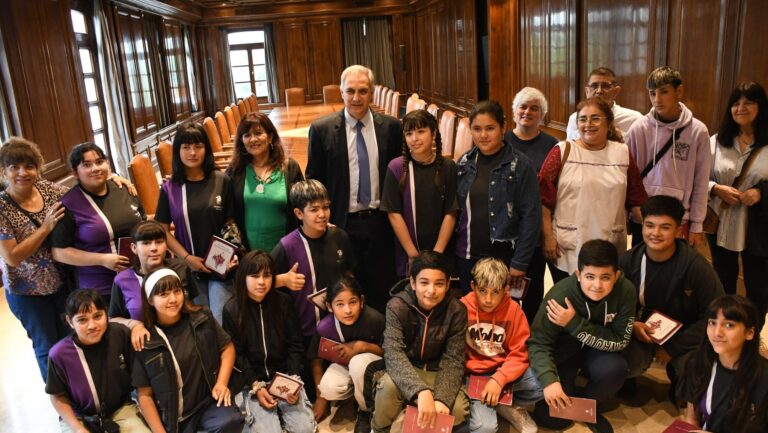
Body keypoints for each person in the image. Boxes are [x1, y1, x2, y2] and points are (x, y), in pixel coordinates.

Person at [306, 64, 402, 312]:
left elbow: (398, 175)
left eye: (363, 91)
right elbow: (313, 180)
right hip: (340, 223)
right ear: (341, 92)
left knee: (381, 289)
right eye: (350, 91)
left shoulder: (391, 128)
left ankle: (381, 343)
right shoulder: (321, 130)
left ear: (372, 93)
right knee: (344, 291)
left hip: (380, 222)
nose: (356, 98)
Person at [619, 195, 724, 399]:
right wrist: (631, 326)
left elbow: (716, 315)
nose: (655, 233)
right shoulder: (627, 261)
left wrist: (673, 347)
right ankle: (627, 380)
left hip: (684, 332)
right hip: (642, 329)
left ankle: (680, 384)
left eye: (665, 227)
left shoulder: (697, 267)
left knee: (692, 367)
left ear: (678, 230)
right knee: (621, 362)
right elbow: (610, 306)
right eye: (650, 225)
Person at [527, 239, 637, 433]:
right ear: (578, 275)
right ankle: (572, 393)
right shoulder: (559, 295)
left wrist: (573, 323)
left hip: (598, 351)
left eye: (605, 277)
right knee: (552, 419)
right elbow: (538, 343)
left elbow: (620, 340)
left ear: (616, 275)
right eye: (590, 276)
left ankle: (589, 406)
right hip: (565, 351)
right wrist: (550, 381)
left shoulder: (626, 291)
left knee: (617, 368)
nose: (597, 285)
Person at [539, 97, 647, 282]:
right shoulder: (562, 151)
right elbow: (542, 200)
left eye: (595, 118)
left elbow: (636, 199)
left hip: (610, 241)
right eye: (582, 119)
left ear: (609, 122)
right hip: (567, 245)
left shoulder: (622, 153)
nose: (588, 124)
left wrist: (654, 227)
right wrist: (547, 237)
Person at [132, 268, 243, 433]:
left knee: (232, 420)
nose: (172, 299)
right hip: (175, 419)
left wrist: (221, 383)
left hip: (207, 405)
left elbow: (227, 348)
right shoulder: (145, 340)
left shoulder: (202, 317)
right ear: (150, 301)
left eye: (177, 291)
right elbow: (145, 395)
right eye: (163, 294)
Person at [372, 250, 469, 432]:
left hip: (438, 371)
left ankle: (413, 414)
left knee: (456, 408)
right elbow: (394, 353)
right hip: (408, 367)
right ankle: (379, 428)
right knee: (386, 389)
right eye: (424, 282)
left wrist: (442, 398)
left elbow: (453, 359)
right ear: (413, 283)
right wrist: (420, 391)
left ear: (448, 284)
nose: (431, 291)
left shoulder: (457, 310)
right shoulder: (396, 306)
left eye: (439, 283)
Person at [221, 251, 315, 433]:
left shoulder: (284, 302)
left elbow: (295, 344)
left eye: (267, 275)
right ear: (243, 278)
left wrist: (292, 382)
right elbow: (237, 354)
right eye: (254, 276)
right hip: (252, 382)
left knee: (304, 429)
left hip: (284, 377)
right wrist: (256, 385)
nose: (261, 282)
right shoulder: (232, 310)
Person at [455, 100, 541, 294]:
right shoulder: (464, 162)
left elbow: (531, 217)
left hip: (503, 258)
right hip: (467, 255)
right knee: (471, 314)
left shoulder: (521, 165)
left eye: (490, 128)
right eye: (477, 129)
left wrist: (519, 262)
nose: (483, 135)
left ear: (503, 128)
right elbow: (457, 212)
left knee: (502, 317)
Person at [0, 137, 69, 379]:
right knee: (47, 347)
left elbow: (83, 190)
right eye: (14, 167)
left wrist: (116, 179)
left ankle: (82, 397)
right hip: (26, 292)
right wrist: (45, 228)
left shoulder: (48, 189)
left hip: (60, 281)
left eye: (29, 166)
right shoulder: (1, 207)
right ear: (3, 171)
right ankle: (63, 406)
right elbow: (12, 257)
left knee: (70, 339)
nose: (23, 172)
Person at [155, 121, 236, 323]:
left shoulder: (221, 180)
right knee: (199, 324)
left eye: (198, 146)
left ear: (206, 149)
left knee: (221, 322)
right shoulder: (169, 188)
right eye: (186, 147)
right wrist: (187, 257)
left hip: (221, 267)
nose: (192, 152)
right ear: (178, 151)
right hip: (189, 269)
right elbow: (162, 230)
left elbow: (233, 222)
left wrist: (233, 255)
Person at [626, 66, 712, 247]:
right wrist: (629, 211)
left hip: (679, 218)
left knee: (676, 272)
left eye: (664, 92)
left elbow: (701, 182)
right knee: (642, 269)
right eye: (652, 93)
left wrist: (697, 225)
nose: (657, 99)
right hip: (644, 216)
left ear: (679, 91)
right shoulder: (638, 129)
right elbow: (628, 176)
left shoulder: (698, 131)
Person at [51, 142, 145, 304]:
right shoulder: (68, 205)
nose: (95, 168)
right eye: (87, 165)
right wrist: (102, 259)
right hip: (99, 286)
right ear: (75, 172)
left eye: (100, 162)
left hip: (138, 274)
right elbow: (59, 252)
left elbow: (143, 223)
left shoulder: (124, 189)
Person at [46, 289, 150, 433]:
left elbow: (141, 380)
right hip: (79, 418)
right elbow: (57, 396)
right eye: (82, 320)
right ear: (70, 321)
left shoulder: (119, 334)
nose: (92, 325)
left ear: (106, 313)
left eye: (98, 316)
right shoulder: (59, 354)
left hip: (120, 409)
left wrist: (138, 326)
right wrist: (77, 428)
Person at [707, 82, 768, 321]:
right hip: (722, 221)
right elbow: (698, 178)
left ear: (761, 107)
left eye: (748, 102)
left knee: (758, 285)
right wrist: (716, 188)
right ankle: (725, 325)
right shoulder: (716, 141)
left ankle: (751, 330)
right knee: (723, 279)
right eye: (736, 102)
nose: (741, 107)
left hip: (759, 226)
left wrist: (762, 193)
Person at [461, 257, 543, 433]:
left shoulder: (514, 310)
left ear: (507, 289)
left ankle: (507, 405)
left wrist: (499, 380)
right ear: (473, 286)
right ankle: (491, 403)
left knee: (544, 382)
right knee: (485, 429)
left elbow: (519, 353)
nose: (488, 299)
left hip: (504, 371)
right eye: (482, 291)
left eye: (495, 292)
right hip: (474, 376)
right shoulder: (461, 308)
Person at [271, 179, 355, 338]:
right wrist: (283, 280)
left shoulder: (340, 236)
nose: (322, 214)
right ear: (299, 213)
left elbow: (350, 275)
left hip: (340, 328)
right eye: (314, 209)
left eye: (325, 207)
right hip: (304, 334)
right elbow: (258, 283)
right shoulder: (287, 246)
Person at [503, 87, 559, 322]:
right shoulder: (500, 140)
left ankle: (531, 335)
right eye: (523, 107)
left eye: (534, 108)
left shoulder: (552, 145)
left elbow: (554, 190)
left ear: (542, 115)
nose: (527, 112)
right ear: (514, 112)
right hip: (505, 231)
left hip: (535, 230)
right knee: (508, 287)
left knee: (533, 287)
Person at [380, 109, 458, 277]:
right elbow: (394, 213)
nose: (414, 139)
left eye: (421, 131)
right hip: (409, 253)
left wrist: (437, 254)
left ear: (433, 133)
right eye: (409, 133)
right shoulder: (396, 168)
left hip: (442, 251)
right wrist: (413, 254)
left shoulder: (448, 167)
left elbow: (451, 212)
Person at [306, 276, 384, 431]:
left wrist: (362, 346)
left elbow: (390, 352)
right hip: (346, 366)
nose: (347, 310)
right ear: (329, 306)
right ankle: (354, 396)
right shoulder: (325, 327)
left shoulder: (375, 319)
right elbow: (316, 359)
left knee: (358, 363)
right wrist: (321, 397)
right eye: (340, 304)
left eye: (353, 302)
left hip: (377, 369)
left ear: (361, 301)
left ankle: (365, 410)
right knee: (328, 387)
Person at [682, 295, 768, 433]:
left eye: (729, 325)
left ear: (750, 333)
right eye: (712, 323)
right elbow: (692, 419)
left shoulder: (763, 378)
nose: (717, 333)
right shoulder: (698, 364)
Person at [109, 220, 197, 350]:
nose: (154, 248)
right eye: (146, 243)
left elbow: (191, 305)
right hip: (148, 347)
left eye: (159, 242)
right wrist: (134, 324)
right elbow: (113, 318)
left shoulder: (181, 267)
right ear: (134, 248)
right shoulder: (122, 279)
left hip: (184, 340)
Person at [227, 112, 304, 252]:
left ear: (270, 137)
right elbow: (227, 212)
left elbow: (304, 203)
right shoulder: (235, 171)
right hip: (249, 252)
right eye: (247, 135)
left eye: (258, 133)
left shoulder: (290, 167)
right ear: (242, 141)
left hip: (287, 248)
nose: (253, 139)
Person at [565, 67, 642, 141]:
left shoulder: (634, 120)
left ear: (616, 91)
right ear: (587, 91)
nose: (599, 91)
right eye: (594, 86)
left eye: (606, 86)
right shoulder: (575, 119)